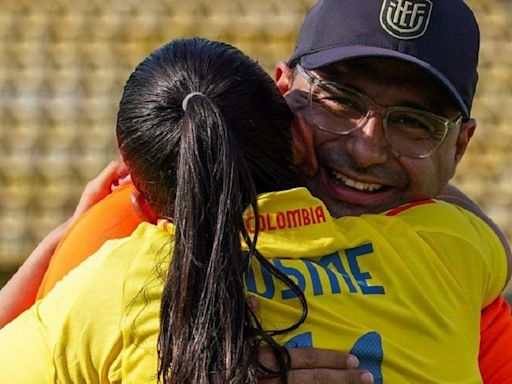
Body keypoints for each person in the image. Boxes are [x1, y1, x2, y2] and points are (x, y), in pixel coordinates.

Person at [2, 0, 512, 382]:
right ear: (282, 92)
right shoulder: (453, 248)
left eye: (413, 123)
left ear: (460, 147)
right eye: (339, 100)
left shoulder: (118, 259)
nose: (366, 149)